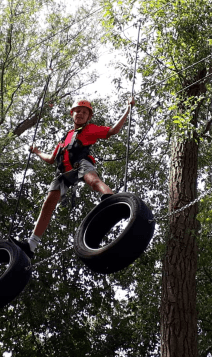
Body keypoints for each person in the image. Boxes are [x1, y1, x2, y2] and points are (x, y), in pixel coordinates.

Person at [12, 97, 136, 258]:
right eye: (78, 111)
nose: (81, 114)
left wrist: (128, 109)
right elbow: (51, 159)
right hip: (63, 172)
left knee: (93, 180)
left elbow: (113, 131)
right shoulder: (65, 138)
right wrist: (36, 152)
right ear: (72, 113)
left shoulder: (90, 129)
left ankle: (112, 201)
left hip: (80, 163)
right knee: (48, 204)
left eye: (85, 112)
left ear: (88, 117)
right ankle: (31, 245)